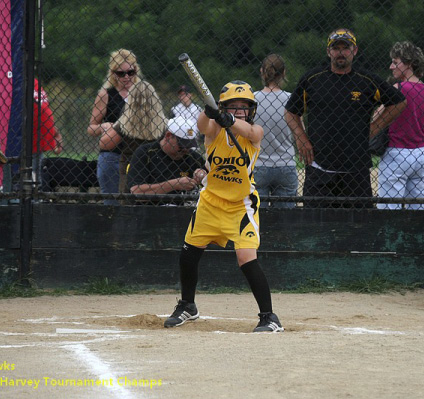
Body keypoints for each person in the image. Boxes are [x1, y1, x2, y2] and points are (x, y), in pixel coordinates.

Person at [163, 80, 284, 333]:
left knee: (246, 258)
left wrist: (229, 119)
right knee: (189, 253)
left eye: (244, 106)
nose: (239, 110)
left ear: (251, 110)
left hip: (241, 205)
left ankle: (269, 317)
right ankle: (188, 305)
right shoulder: (214, 131)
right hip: (211, 201)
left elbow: (251, 133)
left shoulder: (255, 132)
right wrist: (210, 113)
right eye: (233, 106)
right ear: (222, 107)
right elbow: (202, 125)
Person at [285, 28, 407, 208]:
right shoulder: (312, 79)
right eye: (336, 48)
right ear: (328, 52)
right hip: (319, 167)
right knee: (314, 225)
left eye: (345, 48)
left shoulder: (366, 80)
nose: (340, 52)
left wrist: (374, 127)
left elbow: (399, 102)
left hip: (356, 169)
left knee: (358, 226)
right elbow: (291, 112)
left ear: (354, 50)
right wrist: (301, 138)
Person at [376, 41, 424, 210]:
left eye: (395, 62)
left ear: (409, 64)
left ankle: (389, 236)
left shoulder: (398, 88)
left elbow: (377, 116)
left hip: (397, 151)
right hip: (421, 152)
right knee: (419, 208)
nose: (391, 66)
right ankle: (416, 236)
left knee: (389, 208)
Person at [99, 57, 166, 197]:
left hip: (131, 170)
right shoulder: (164, 124)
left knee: (128, 200)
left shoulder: (125, 122)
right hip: (157, 169)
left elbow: (105, 144)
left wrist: (116, 125)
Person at [88, 49, 136, 204]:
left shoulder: (142, 93)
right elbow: (91, 128)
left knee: (136, 202)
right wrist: (105, 126)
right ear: (113, 73)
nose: (126, 77)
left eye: (130, 72)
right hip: (112, 154)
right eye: (121, 73)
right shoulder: (106, 94)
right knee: (112, 203)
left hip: (137, 155)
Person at [126, 116, 205, 204]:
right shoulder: (146, 153)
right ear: (168, 136)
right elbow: (136, 192)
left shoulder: (193, 157)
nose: (186, 149)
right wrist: (174, 184)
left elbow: (211, 178)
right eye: (182, 145)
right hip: (149, 211)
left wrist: (203, 175)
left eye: (189, 146)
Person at [254, 54, 298, 208]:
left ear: (262, 71)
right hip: (285, 162)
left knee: (256, 218)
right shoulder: (291, 99)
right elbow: (299, 132)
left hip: (258, 164)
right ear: (284, 73)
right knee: (286, 221)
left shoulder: (252, 100)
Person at [33, 79, 63, 185]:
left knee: (38, 177)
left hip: (37, 143)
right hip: (26, 143)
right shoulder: (17, 80)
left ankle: (36, 198)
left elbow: (44, 109)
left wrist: (55, 133)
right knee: (31, 178)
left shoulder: (34, 81)